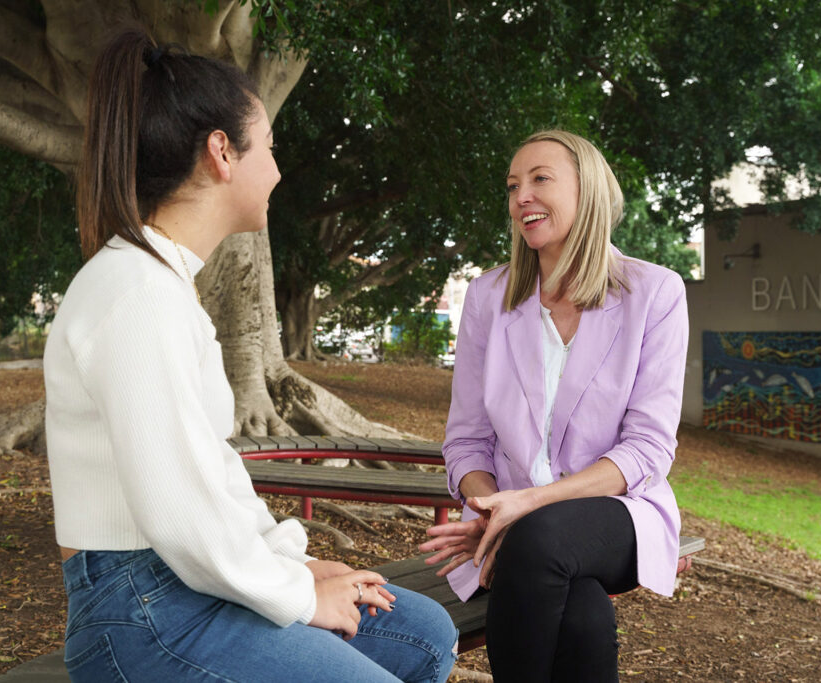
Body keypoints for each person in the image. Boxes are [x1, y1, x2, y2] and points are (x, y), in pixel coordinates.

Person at [43, 29, 457, 683]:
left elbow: (212, 471)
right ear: (221, 154)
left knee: (420, 634)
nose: (279, 169)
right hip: (142, 610)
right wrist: (295, 595)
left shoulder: (162, 285)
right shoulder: (134, 292)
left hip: (180, 583)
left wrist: (290, 565)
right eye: (268, 146)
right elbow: (178, 509)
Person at [419, 130, 688, 682]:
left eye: (541, 179)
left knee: (541, 539)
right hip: (513, 525)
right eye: (513, 185)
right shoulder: (488, 298)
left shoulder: (654, 292)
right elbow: (466, 440)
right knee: (582, 615)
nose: (521, 196)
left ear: (587, 190)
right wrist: (494, 507)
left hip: (618, 511)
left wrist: (525, 508)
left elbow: (648, 449)